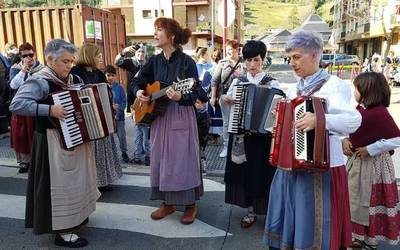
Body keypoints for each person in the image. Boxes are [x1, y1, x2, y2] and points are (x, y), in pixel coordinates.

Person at [264, 30, 362, 250]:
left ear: (315, 55)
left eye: (297, 57)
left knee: (317, 231)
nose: (292, 63)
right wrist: (280, 120)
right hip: (293, 168)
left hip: (322, 170)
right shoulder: (296, 87)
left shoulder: (333, 85)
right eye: (290, 58)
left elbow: (353, 121)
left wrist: (321, 119)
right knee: (294, 224)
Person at [9, 39, 100, 248]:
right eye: (65, 61)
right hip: (51, 142)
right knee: (62, 186)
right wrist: (49, 110)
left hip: (75, 139)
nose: (69, 65)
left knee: (76, 182)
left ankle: (77, 218)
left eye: (71, 61)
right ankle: (62, 231)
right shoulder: (40, 81)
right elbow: (17, 104)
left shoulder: (73, 78)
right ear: (50, 60)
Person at [132, 17, 205, 225]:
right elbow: (138, 80)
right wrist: (138, 92)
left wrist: (181, 96)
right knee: (161, 159)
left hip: (180, 114)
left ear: (171, 35)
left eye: (159, 30)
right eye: (155, 30)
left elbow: (199, 92)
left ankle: (190, 204)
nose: (155, 34)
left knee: (184, 160)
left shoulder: (187, 62)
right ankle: (168, 203)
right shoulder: (153, 61)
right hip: (158, 116)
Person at [221, 40, 280, 228]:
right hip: (241, 136)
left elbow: (280, 108)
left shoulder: (272, 82)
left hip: (263, 138)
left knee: (262, 174)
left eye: (256, 60)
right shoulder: (238, 82)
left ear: (263, 59)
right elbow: (225, 104)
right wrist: (225, 100)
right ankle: (250, 211)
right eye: (248, 60)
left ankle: (268, 211)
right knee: (245, 174)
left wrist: (276, 112)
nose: (252, 65)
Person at [342, 72, 400, 248]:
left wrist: (370, 149)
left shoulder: (380, 113)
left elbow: (397, 138)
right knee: (354, 199)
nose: (354, 92)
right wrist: (344, 140)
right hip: (358, 164)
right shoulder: (361, 111)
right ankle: (356, 237)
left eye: (356, 88)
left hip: (375, 167)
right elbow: (349, 131)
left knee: (369, 202)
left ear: (367, 90)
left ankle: (369, 240)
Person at [71, 44, 122, 192]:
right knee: (90, 152)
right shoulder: (76, 73)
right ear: (89, 56)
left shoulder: (98, 73)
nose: (101, 59)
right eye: (98, 56)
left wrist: (110, 103)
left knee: (104, 149)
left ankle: (103, 181)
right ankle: (91, 183)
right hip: (86, 120)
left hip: (102, 118)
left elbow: (106, 92)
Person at [9, 43, 44, 173]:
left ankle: (36, 160)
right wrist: (23, 70)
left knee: (35, 134)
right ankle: (24, 163)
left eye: (31, 54)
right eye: (25, 55)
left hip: (35, 104)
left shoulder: (41, 68)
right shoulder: (16, 69)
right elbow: (13, 85)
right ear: (20, 56)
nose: (29, 57)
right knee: (21, 135)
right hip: (20, 107)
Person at [115, 44, 150, 165]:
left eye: (143, 52)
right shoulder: (130, 63)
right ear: (135, 53)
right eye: (139, 52)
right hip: (133, 99)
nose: (141, 54)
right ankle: (138, 154)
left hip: (146, 99)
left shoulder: (147, 64)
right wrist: (123, 52)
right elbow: (117, 62)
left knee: (144, 128)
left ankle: (144, 154)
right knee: (138, 128)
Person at [210, 40, 244, 157]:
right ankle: (226, 147)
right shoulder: (222, 63)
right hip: (224, 97)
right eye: (228, 49)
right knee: (227, 122)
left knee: (240, 123)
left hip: (241, 97)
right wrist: (213, 96)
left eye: (232, 49)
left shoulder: (244, 62)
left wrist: (241, 76)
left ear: (237, 50)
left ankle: (239, 148)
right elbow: (215, 81)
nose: (229, 52)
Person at [105, 65, 130, 163]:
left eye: (112, 75)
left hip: (119, 118)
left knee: (121, 136)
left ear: (115, 76)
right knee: (109, 137)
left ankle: (124, 152)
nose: (110, 77)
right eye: (108, 75)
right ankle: (112, 155)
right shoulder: (104, 88)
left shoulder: (119, 88)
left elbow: (124, 102)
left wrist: (118, 113)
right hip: (108, 117)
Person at [195, 95, 210, 175]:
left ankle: (203, 168)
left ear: (203, 104)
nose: (195, 104)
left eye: (197, 103)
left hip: (201, 137)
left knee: (201, 153)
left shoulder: (204, 114)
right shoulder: (197, 113)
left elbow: (205, 128)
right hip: (197, 136)